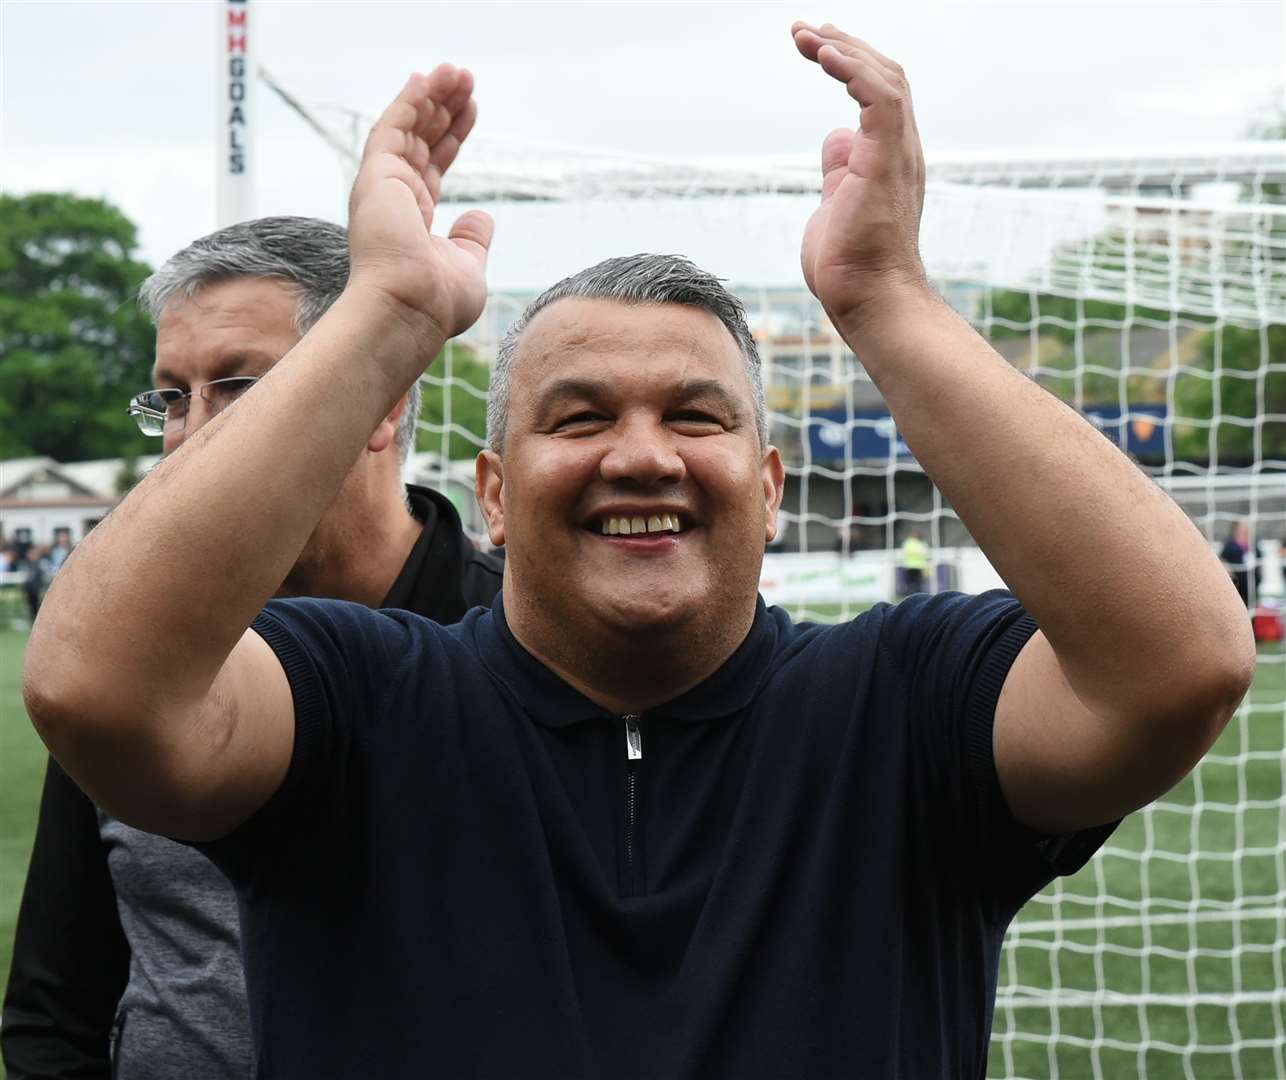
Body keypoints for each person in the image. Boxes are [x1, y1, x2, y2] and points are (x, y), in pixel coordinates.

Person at [22, 27, 1254, 1079]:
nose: (641, 454)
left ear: (767, 490)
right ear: (492, 498)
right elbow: (98, 688)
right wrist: (386, 318)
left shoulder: (907, 704)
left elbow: (1178, 663)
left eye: (696, 415)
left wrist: (885, 299)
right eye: (579, 416)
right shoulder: (351, 700)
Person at [2, 212, 501, 1078]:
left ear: (378, 400)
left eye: (238, 387)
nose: (190, 433)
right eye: (170, 396)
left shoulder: (524, 641)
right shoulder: (138, 656)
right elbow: (56, 1007)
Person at [1219, 518, 1255, 609]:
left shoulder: (1254, 546)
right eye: (1243, 526)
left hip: (1252, 590)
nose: (1246, 528)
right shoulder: (1230, 547)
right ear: (1236, 529)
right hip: (1236, 590)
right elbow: (1222, 561)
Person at [899, 528, 929, 595]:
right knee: (912, 583)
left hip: (918, 566)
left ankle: (917, 595)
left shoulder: (918, 543)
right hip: (911, 566)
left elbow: (925, 553)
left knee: (917, 583)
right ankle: (912, 595)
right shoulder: (911, 542)